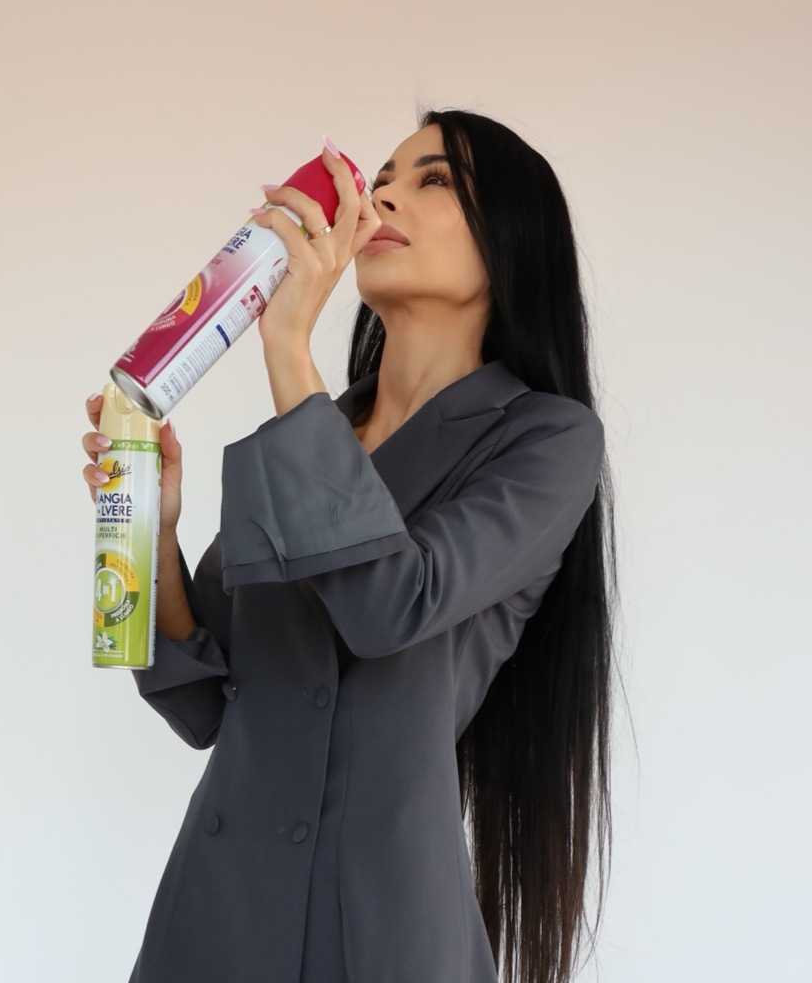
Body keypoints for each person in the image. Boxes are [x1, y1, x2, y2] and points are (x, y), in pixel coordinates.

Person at [81, 110, 617, 983]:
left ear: (514, 240)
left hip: (382, 924)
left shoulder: (545, 439)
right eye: (384, 177)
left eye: (434, 179)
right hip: (216, 916)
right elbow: (203, 702)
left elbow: (390, 606)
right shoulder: (312, 433)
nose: (381, 197)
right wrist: (153, 527)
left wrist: (286, 344)